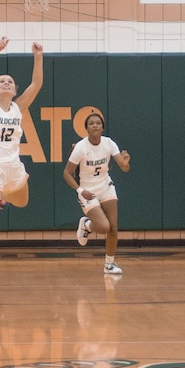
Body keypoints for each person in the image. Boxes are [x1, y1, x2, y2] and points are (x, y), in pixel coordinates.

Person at [0, 37, 44, 281]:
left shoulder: (18, 108)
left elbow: (36, 84)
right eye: (1, 81)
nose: (6, 83)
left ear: (14, 91)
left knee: (22, 202)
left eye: (10, 82)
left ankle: (3, 196)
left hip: (14, 167)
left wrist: (38, 56)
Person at [64, 111, 131, 275]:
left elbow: (124, 168)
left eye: (98, 123)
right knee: (103, 227)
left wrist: (125, 163)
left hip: (106, 187)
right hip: (88, 191)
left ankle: (109, 264)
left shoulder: (109, 143)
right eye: (91, 123)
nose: (95, 125)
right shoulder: (81, 147)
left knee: (113, 228)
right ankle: (87, 225)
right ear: (86, 128)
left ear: (102, 127)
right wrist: (80, 191)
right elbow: (66, 173)